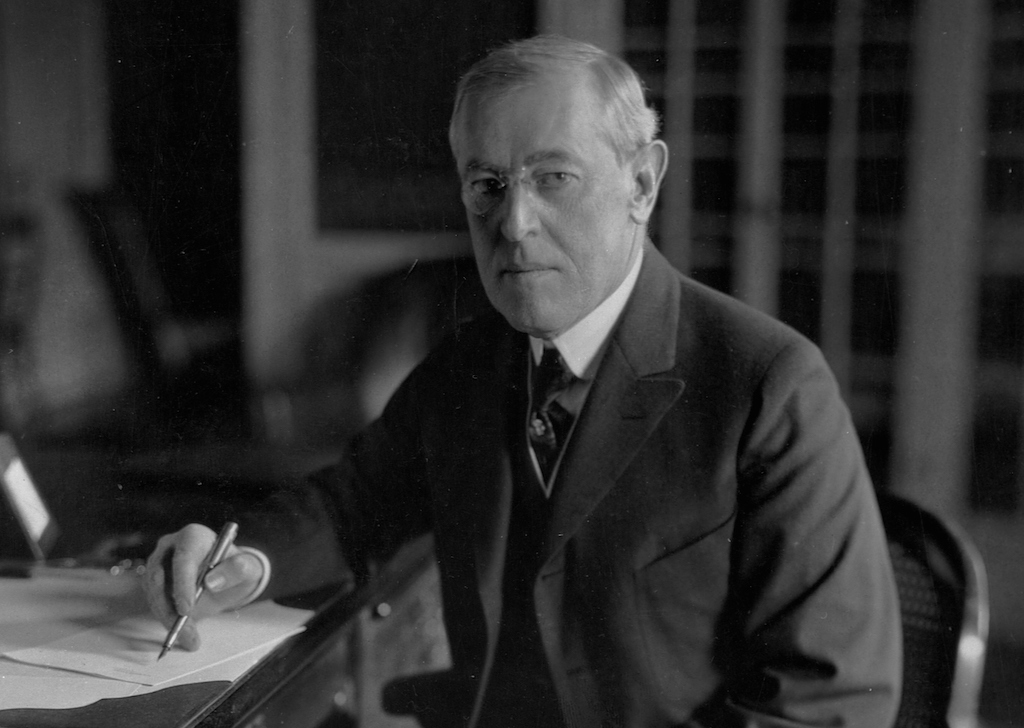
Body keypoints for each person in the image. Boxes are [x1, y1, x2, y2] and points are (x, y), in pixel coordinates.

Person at [144, 35, 902, 727]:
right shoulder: (470, 363)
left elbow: (827, 704)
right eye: (488, 186)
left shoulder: (770, 384)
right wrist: (242, 559)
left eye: (554, 177)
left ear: (642, 182)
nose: (513, 224)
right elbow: (355, 501)